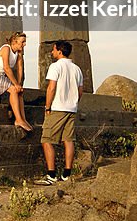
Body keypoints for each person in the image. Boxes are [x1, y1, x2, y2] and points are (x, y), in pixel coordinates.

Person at [36, 40, 84, 185]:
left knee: (46, 140)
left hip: (57, 108)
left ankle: (51, 175)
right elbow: (80, 91)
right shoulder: (77, 69)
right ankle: (67, 174)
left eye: (53, 49)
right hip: (71, 108)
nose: (52, 52)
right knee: (68, 140)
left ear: (59, 51)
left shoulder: (55, 66)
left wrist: (47, 106)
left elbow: (51, 88)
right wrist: (74, 102)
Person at [0, 32, 33, 134]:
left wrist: (19, 84)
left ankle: (23, 119)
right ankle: (18, 119)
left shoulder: (18, 52)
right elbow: (7, 68)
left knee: (19, 91)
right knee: (13, 89)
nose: (24, 44)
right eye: (23, 42)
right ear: (14, 41)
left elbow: (20, 68)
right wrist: (15, 85)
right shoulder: (6, 48)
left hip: (0, 76)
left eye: (25, 42)